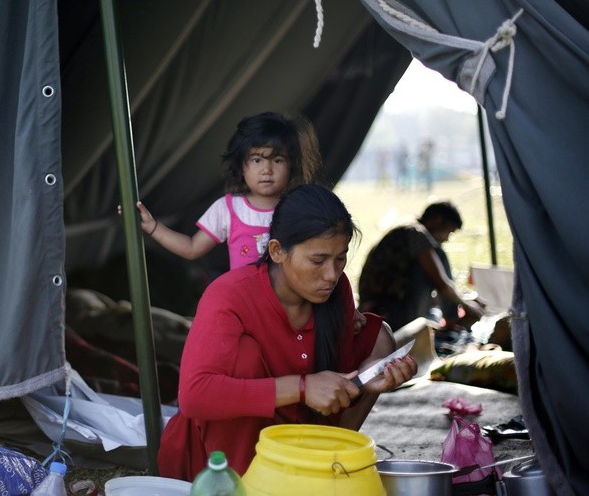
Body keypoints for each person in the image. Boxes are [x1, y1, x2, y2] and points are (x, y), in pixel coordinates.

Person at [157, 184, 418, 480]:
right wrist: (303, 388)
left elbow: (339, 371)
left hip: (292, 434)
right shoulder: (229, 295)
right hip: (214, 463)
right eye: (318, 261)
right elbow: (195, 396)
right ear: (277, 251)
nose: (332, 275)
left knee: (378, 334)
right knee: (243, 357)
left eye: (340, 258)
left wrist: (367, 379)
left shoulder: (336, 289)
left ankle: (324, 463)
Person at [133, 112, 322, 270]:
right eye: (257, 160)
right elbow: (191, 248)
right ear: (241, 166)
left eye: (277, 160)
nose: (267, 169)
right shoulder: (228, 208)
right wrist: (153, 227)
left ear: (293, 165)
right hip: (243, 305)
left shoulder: (299, 208)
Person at [357, 201, 485, 332]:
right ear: (439, 221)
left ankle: (451, 316)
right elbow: (442, 286)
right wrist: (468, 306)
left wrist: (463, 298)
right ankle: (451, 320)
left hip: (386, 308)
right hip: (385, 314)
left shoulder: (407, 230)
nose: (447, 239)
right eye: (449, 232)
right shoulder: (417, 234)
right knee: (438, 254)